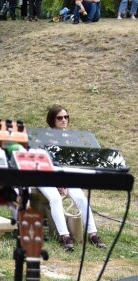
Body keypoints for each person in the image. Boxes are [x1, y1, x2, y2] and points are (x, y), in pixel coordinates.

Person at [41, 105, 106, 251]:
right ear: (52, 120)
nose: (64, 120)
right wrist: (58, 183)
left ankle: (92, 234)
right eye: (60, 118)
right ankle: (65, 237)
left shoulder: (70, 138)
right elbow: (45, 164)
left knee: (81, 198)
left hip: (66, 177)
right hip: (45, 176)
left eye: (66, 117)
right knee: (55, 199)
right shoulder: (45, 137)